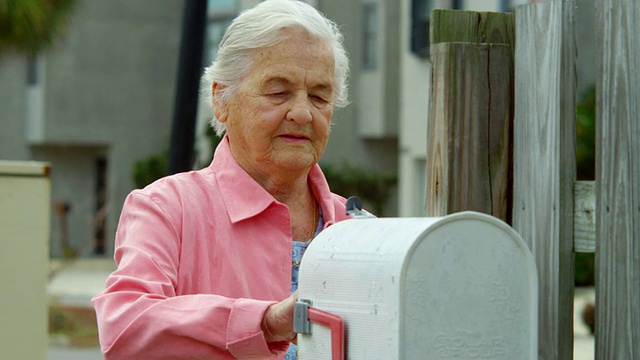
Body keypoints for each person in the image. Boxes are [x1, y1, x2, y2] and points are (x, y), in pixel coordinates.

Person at [92, 0, 353, 358]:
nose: (303, 112)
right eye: (278, 92)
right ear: (221, 99)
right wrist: (264, 322)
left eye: (320, 96)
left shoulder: (356, 229)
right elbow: (124, 328)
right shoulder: (168, 209)